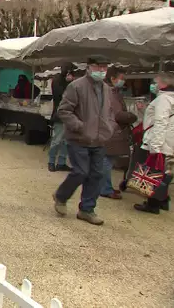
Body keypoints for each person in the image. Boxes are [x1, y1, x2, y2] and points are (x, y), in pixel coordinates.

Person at [52, 56, 117, 226]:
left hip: (99, 139)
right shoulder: (77, 86)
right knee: (81, 171)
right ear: (89, 67)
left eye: (104, 67)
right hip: (79, 138)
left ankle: (87, 209)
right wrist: (79, 126)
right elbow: (64, 110)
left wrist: (109, 127)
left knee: (97, 174)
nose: (102, 71)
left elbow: (110, 112)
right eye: (98, 67)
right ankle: (61, 196)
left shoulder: (106, 89)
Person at [134, 72, 174, 214]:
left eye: (155, 82)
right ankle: (162, 200)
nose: (153, 85)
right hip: (167, 140)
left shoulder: (164, 99)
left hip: (158, 141)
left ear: (162, 84)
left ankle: (153, 204)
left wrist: (156, 146)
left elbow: (160, 122)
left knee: (154, 172)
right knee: (161, 171)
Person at [100, 67, 137, 200]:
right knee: (106, 161)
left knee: (105, 160)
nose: (123, 81)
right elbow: (119, 115)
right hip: (111, 131)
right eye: (122, 78)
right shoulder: (111, 93)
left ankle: (104, 187)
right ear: (113, 79)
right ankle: (105, 188)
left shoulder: (106, 91)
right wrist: (132, 116)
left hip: (106, 130)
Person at [48, 63, 77, 172]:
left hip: (70, 115)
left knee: (66, 141)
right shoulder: (57, 80)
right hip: (60, 115)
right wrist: (69, 83)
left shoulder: (70, 82)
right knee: (57, 139)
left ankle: (61, 162)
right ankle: (51, 161)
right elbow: (61, 95)